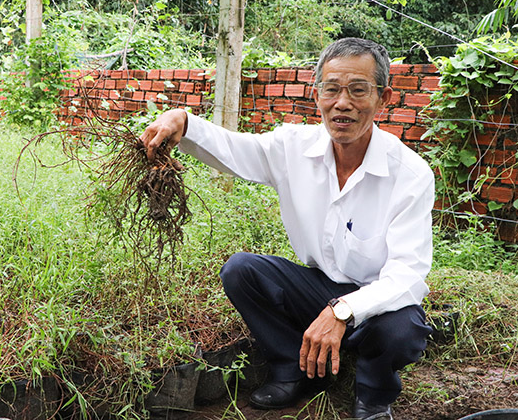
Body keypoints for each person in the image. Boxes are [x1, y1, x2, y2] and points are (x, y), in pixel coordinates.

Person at [140, 38, 434, 420]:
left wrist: (342, 312)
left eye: (358, 90)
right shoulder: (294, 147)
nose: (342, 102)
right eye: (331, 89)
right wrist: (183, 121)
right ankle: (291, 367)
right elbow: (235, 151)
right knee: (242, 270)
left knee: (403, 331)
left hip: (376, 303)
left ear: (384, 98)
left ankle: (374, 394)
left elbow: (407, 275)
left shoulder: (409, 174)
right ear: (317, 95)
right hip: (317, 286)